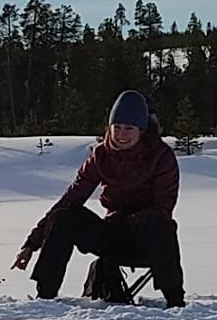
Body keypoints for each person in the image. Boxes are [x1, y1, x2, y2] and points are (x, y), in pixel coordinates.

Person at [16, 88, 184, 305]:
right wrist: (31, 244)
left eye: (129, 128)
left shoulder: (161, 156)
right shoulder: (101, 156)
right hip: (112, 234)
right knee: (66, 215)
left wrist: (130, 222)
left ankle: (175, 301)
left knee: (160, 225)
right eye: (117, 127)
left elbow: (164, 207)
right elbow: (70, 199)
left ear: (141, 130)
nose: (122, 135)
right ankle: (45, 298)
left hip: (146, 238)